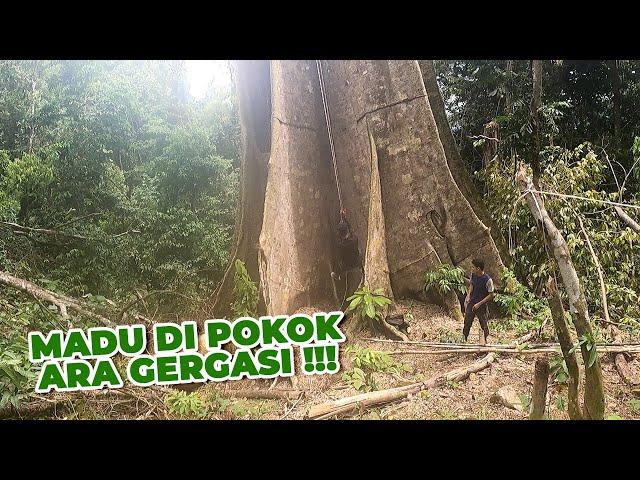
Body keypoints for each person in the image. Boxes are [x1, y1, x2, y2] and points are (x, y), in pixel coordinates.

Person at [463, 258, 495, 345]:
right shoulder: (473, 275)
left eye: (473, 267)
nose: (471, 269)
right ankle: (464, 340)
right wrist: (468, 296)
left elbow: (491, 295)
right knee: (467, 322)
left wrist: (479, 304)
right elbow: (472, 284)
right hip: (472, 302)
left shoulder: (488, 280)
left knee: (483, 324)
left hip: (482, 305)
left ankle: (485, 342)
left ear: (478, 268)